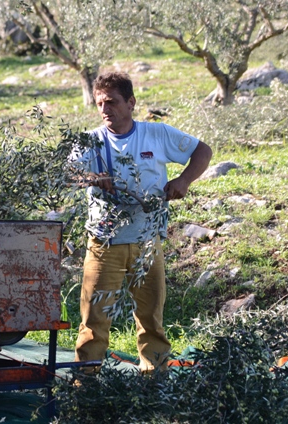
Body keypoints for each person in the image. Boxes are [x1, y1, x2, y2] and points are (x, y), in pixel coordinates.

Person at [71, 71, 212, 373]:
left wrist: (183, 180)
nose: (105, 110)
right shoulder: (91, 141)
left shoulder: (157, 133)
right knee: (94, 323)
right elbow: (68, 173)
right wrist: (94, 178)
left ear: (131, 102)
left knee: (152, 321)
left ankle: (154, 387)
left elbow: (203, 151)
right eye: (99, 104)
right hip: (104, 244)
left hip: (148, 242)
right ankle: (86, 390)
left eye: (111, 102)